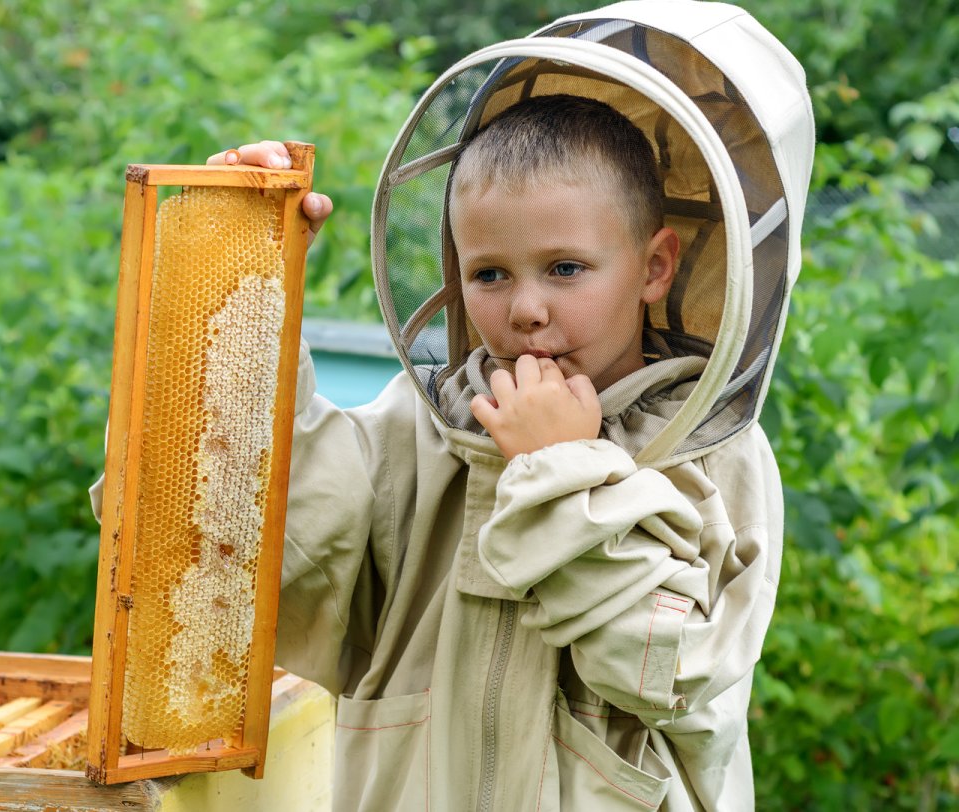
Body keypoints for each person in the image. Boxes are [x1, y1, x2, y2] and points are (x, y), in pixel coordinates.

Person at [97, 2, 813, 808]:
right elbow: (265, 540)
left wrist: (562, 471)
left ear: (654, 266)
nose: (526, 309)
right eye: (491, 274)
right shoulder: (426, 426)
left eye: (567, 268)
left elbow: (674, 670)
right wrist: (238, 273)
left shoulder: (713, 457)